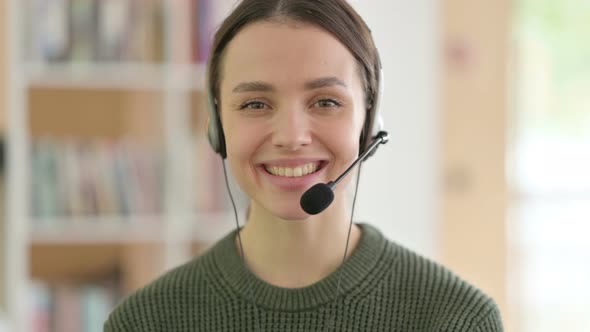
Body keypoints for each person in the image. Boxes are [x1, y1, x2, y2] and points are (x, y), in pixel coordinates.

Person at [104, 0, 504, 331]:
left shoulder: (456, 318)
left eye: (325, 101)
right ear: (216, 125)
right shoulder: (145, 322)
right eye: (255, 104)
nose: (291, 136)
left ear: (369, 122)